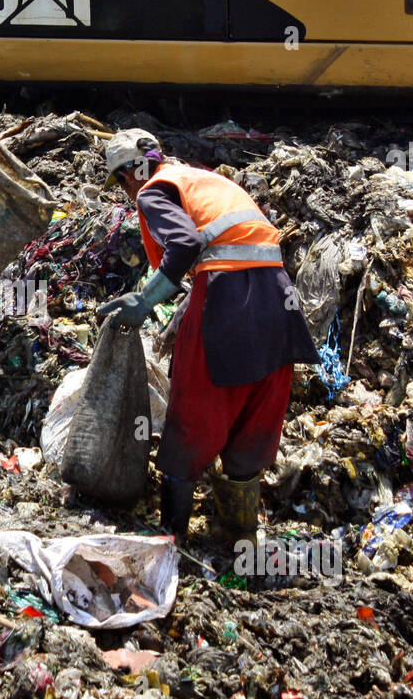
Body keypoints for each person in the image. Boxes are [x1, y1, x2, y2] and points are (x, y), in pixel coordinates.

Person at [97, 129, 319, 542]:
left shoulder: (153, 191)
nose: (127, 189)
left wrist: (145, 301)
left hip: (225, 301)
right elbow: (240, 246)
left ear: (130, 172)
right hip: (278, 301)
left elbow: (183, 245)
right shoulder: (206, 180)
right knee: (254, 417)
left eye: (122, 179)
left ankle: (171, 539)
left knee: (195, 412)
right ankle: (240, 539)